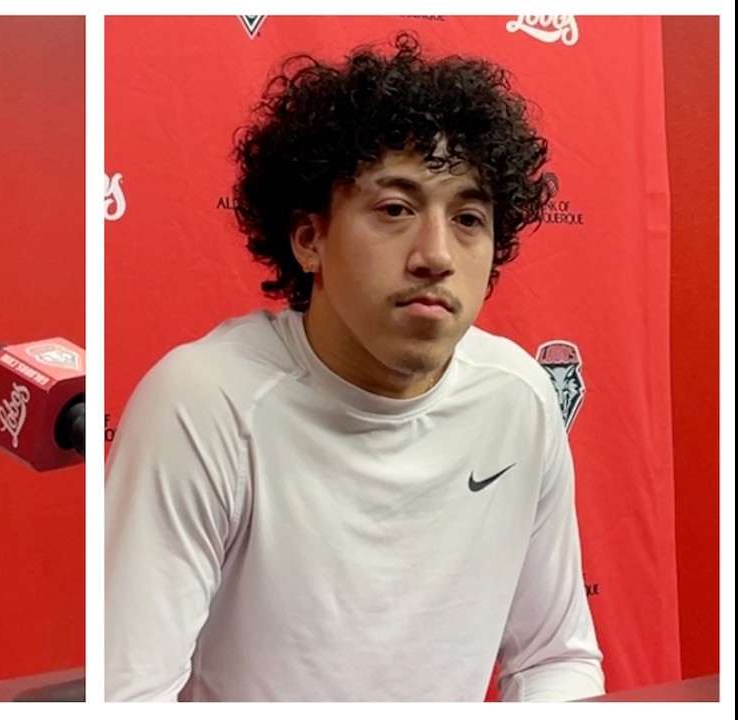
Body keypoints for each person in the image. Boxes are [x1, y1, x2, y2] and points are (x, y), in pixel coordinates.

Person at [104, 33, 605, 702]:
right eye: (395, 210)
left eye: (468, 218)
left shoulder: (518, 397)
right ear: (309, 238)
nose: (436, 255)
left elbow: (554, 657)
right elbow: (127, 697)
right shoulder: (206, 402)